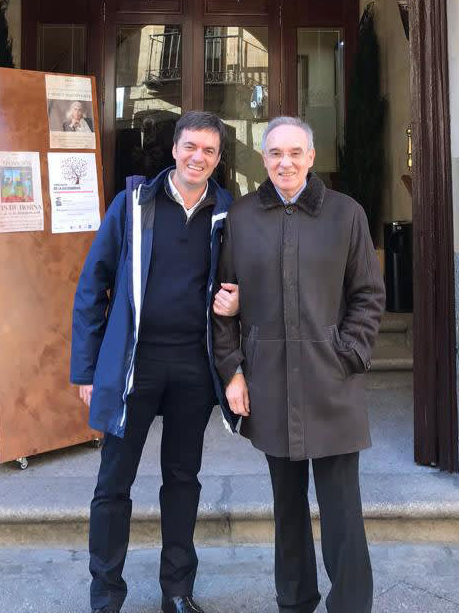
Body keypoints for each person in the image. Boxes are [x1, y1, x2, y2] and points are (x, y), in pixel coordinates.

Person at [213, 116, 385, 613]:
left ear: (311, 157)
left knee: (342, 511)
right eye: (274, 154)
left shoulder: (345, 214)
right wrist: (233, 371)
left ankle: (351, 605)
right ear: (263, 160)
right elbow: (223, 301)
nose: (284, 162)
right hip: (269, 384)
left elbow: (369, 296)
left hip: (332, 383)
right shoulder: (242, 218)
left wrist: (346, 352)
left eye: (294, 153)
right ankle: (294, 601)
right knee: (286, 509)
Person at [71, 111, 240, 613]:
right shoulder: (133, 205)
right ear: (174, 149)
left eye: (209, 150)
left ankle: (178, 591)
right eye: (190, 146)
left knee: (183, 481)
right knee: (113, 482)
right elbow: (91, 285)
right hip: (132, 366)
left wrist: (239, 301)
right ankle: (106, 594)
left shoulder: (227, 211)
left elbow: (245, 280)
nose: (197, 157)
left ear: (217, 158)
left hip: (193, 367)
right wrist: (86, 369)